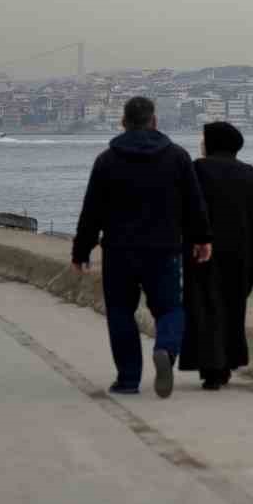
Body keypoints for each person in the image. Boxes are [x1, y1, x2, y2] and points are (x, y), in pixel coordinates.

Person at [73, 96, 212, 398]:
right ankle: (165, 348)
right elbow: (194, 203)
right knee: (170, 308)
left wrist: (81, 250)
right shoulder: (177, 157)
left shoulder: (107, 159)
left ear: (123, 123)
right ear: (154, 121)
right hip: (163, 248)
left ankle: (128, 380)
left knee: (121, 311)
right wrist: (202, 239)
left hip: (119, 250)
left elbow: (92, 210)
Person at [180, 121, 253, 390]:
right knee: (233, 310)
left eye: (203, 139)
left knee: (205, 309)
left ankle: (211, 368)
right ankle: (225, 364)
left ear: (212, 143)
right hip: (240, 255)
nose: (200, 143)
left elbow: (182, 209)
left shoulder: (196, 169)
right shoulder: (250, 173)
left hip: (201, 252)